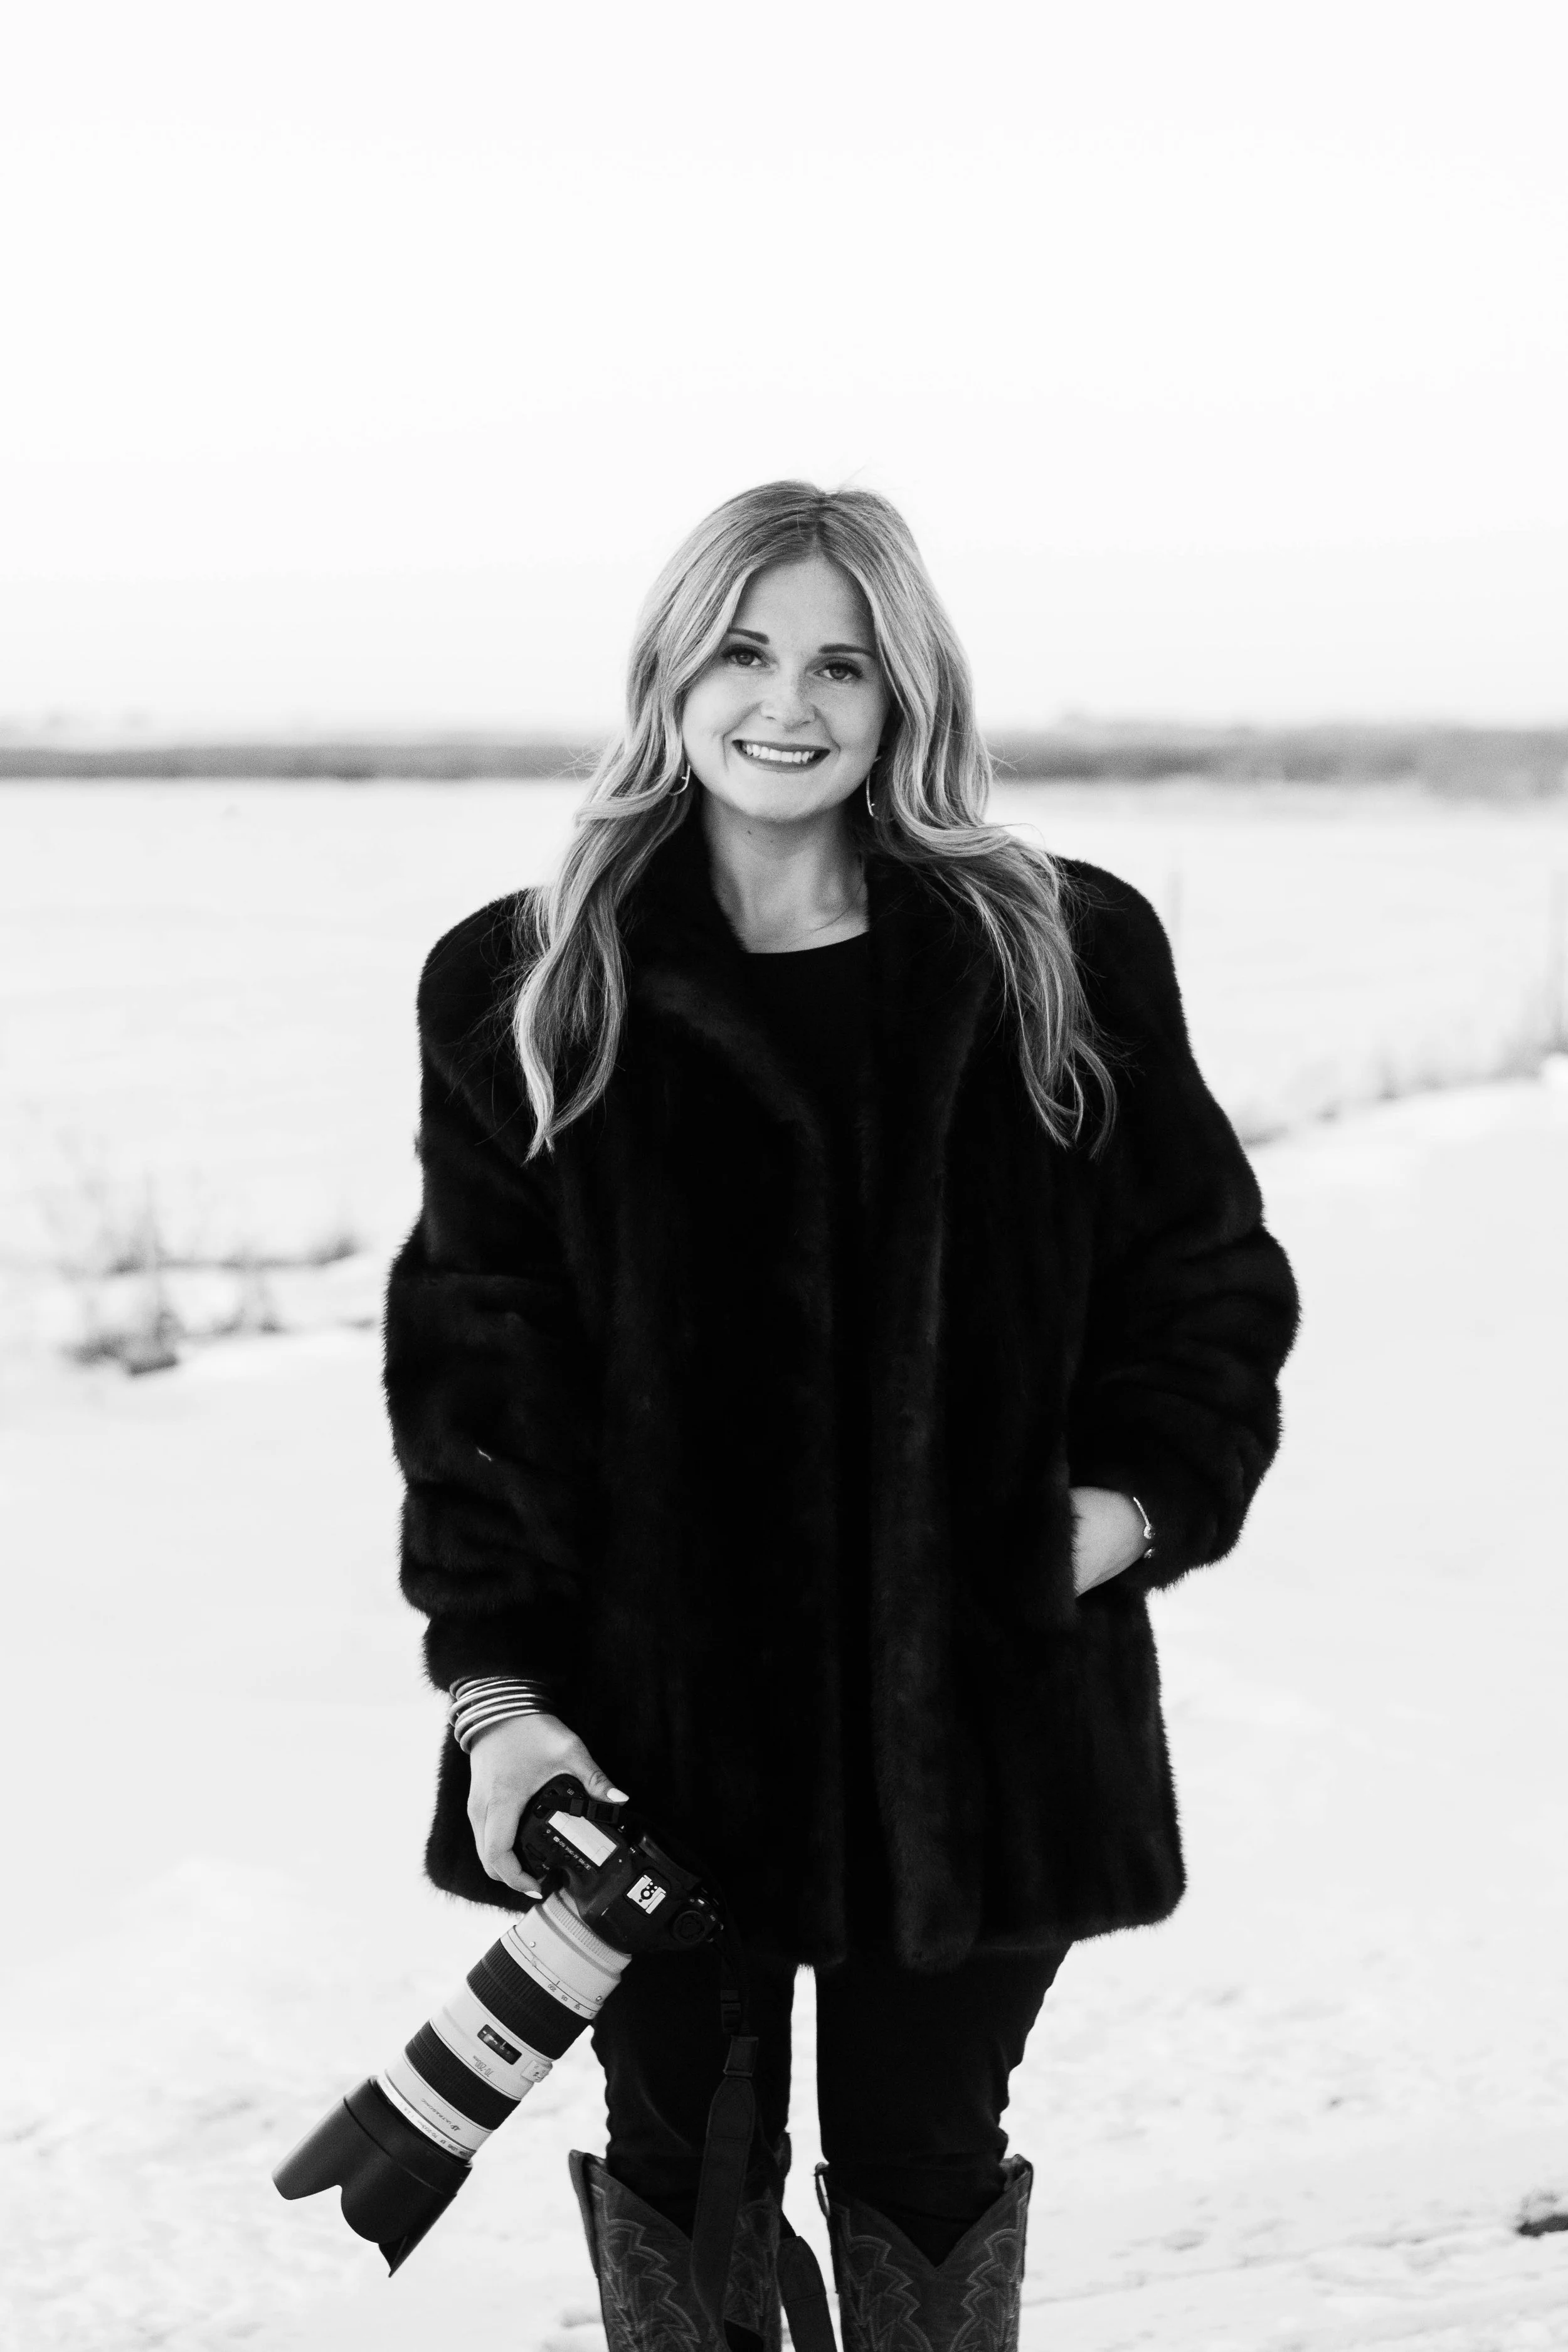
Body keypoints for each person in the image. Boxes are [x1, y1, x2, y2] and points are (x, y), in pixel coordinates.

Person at [383, 480, 1300, 2352]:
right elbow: (479, 1380)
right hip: (652, 1737)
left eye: (841, 664)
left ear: (906, 696)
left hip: (979, 1724)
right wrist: (499, 1698)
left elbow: (1203, 1284)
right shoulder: (528, 980)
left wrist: (1116, 1518)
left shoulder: (1057, 947)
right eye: (741, 651)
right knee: (683, 2168)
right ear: (669, 675)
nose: (785, 703)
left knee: (925, 2161)